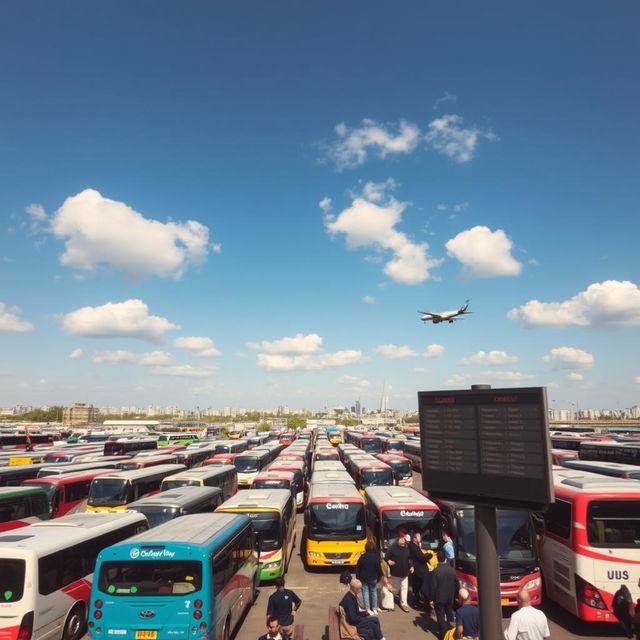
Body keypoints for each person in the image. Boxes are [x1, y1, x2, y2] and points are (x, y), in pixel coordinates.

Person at [432, 549, 458, 639]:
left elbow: (433, 587)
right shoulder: (451, 570)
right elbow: (456, 584)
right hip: (450, 596)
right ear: (445, 559)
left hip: (439, 598)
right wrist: (457, 595)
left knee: (440, 617)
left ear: (438, 559)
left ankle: (443, 635)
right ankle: (452, 632)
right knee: (449, 613)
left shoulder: (436, 571)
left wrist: (431, 599)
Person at [384, 533, 413, 612]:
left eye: (404, 543)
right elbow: (386, 557)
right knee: (395, 589)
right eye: (403, 543)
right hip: (396, 573)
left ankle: (404, 603)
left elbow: (409, 558)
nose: (404, 544)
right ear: (398, 541)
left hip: (405, 573)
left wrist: (411, 566)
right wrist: (389, 561)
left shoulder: (407, 548)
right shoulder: (392, 548)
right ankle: (389, 599)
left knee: (404, 588)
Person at [356, 540, 383, 614]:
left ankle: (367, 608)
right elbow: (379, 568)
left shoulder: (362, 557)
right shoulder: (376, 557)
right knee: (373, 591)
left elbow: (358, 568)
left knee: (365, 592)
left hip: (363, 578)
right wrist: (380, 576)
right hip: (373, 577)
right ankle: (374, 608)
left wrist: (357, 577)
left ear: (366, 548)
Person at [408, 531, 430, 608]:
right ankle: (419, 602)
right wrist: (429, 555)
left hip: (417, 569)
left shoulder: (413, 545)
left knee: (417, 586)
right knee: (422, 586)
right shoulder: (413, 547)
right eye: (419, 537)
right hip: (420, 570)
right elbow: (421, 558)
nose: (420, 538)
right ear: (414, 538)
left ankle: (416, 600)